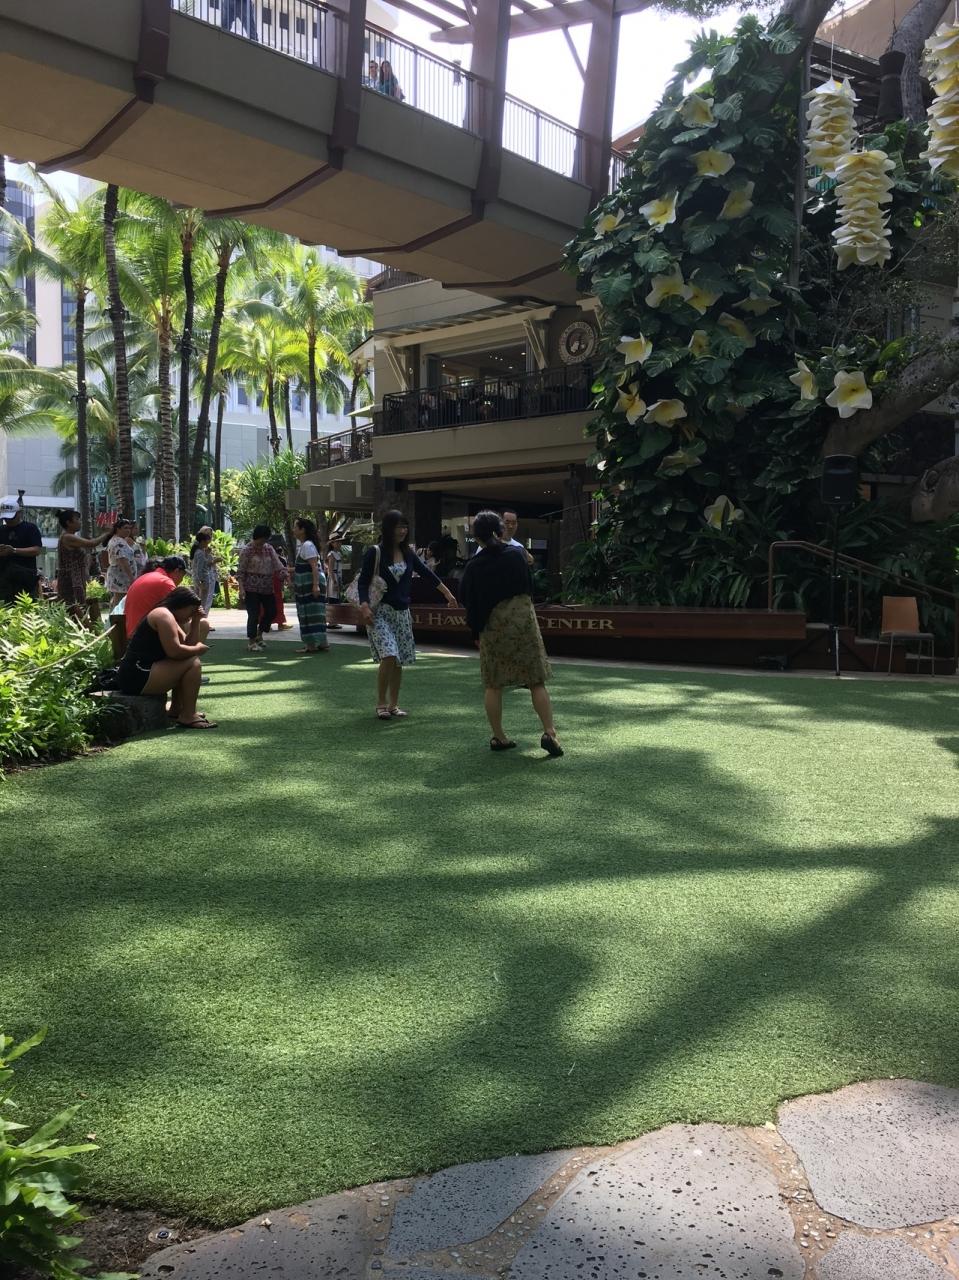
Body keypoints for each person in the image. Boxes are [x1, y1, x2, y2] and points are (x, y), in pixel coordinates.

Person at [459, 509, 563, 756]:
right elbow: (529, 586)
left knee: (493, 685)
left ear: (477, 537)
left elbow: (468, 600)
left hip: (493, 629)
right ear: (500, 530)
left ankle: (499, 736)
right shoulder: (516, 555)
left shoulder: (474, 566)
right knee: (536, 681)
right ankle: (549, 732)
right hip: (523, 625)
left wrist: (476, 632)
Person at [357, 509, 457, 720]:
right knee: (389, 655)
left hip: (402, 613)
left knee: (398, 660)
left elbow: (427, 574)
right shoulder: (375, 552)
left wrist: (448, 594)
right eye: (398, 527)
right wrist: (364, 606)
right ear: (388, 528)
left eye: (405, 527)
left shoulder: (409, 553)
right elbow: (363, 582)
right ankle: (381, 703)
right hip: (380, 612)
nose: (402, 531)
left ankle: (393, 704)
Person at [116, 586, 217, 730]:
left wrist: (195, 621)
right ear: (181, 606)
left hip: (144, 671)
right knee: (192, 663)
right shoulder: (162, 615)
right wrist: (198, 649)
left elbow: (188, 645)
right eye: (191, 611)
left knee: (188, 660)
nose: (191, 615)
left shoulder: (170, 616)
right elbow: (175, 652)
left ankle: (177, 708)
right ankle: (188, 715)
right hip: (135, 675)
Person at [237, 526, 288, 653]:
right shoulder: (247, 550)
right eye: (262, 539)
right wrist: (241, 588)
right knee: (253, 614)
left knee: (272, 611)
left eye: (266, 539)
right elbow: (241, 571)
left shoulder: (269, 549)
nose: (264, 542)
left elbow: (277, 565)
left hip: (267, 588)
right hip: (251, 588)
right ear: (257, 537)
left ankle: (259, 634)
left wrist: (285, 575)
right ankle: (251, 642)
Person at [124, 555, 195, 638]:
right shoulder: (165, 582)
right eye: (183, 575)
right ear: (177, 571)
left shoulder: (148, 576)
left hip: (132, 633)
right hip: (144, 637)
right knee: (202, 624)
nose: (182, 580)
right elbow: (181, 614)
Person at [55, 510, 110, 614]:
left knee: (76, 608)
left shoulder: (68, 536)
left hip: (75, 577)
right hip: (71, 579)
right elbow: (92, 543)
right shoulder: (67, 537)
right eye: (77, 519)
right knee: (74, 609)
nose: (80, 522)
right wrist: (106, 533)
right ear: (68, 522)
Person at [291, 517, 329, 654]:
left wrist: (315, 585)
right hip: (308, 584)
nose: (293, 530)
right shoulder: (307, 545)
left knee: (309, 613)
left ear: (302, 530)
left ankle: (311, 645)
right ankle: (322, 642)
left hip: (310, 585)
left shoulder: (307, 545)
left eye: (295, 527)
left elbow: (314, 567)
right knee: (316, 613)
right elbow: (306, 566)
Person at [0, 498, 43, 602]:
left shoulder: (30, 528)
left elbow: (37, 550)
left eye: (11, 517)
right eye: (5, 518)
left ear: (19, 513)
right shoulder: (1, 530)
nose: (8, 520)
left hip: (26, 578)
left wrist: (14, 550)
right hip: (3, 578)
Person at [105, 516, 137, 606]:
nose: (128, 530)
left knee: (118, 600)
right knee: (119, 601)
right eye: (125, 528)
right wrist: (131, 578)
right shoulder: (118, 542)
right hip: (121, 577)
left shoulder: (120, 540)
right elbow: (123, 561)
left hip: (120, 576)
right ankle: (115, 615)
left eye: (129, 528)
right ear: (118, 529)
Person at [190, 527, 219, 628]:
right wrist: (201, 582)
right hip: (203, 580)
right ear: (202, 541)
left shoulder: (200, 551)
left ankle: (199, 622)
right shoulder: (200, 552)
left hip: (202, 579)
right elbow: (200, 568)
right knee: (203, 603)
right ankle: (200, 623)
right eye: (208, 536)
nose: (209, 539)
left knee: (202, 601)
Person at [267, 535, 294, 631]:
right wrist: (289, 581)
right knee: (275, 602)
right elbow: (284, 570)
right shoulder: (277, 558)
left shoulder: (272, 556)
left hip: (272, 582)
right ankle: (277, 623)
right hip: (272, 581)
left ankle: (272, 623)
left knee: (272, 602)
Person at [325, 530, 344, 628]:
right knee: (333, 599)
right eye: (337, 542)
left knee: (337, 599)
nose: (339, 544)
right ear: (332, 544)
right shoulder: (331, 554)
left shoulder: (338, 553)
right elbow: (330, 570)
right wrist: (335, 582)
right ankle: (331, 621)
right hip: (333, 578)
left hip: (338, 577)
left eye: (340, 542)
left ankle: (334, 621)